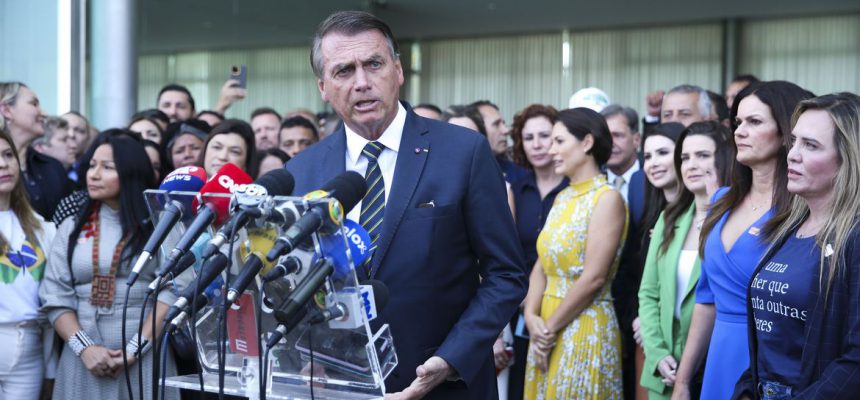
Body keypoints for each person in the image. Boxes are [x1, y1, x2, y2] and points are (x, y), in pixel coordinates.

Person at [286, 11, 527, 399]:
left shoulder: (463, 153)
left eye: (374, 64)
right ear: (323, 88)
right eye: (344, 71)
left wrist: (450, 359)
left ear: (398, 71)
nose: (362, 82)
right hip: (340, 385)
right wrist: (304, 355)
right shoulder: (301, 171)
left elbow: (506, 276)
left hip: (444, 383)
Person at [671, 81, 814, 400]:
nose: (739, 132)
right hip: (718, 358)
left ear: (785, 133)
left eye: (754, 122)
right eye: (737, 123)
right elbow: (706, 299)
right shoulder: (720, 201)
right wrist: (683, 381)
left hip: (771, 363)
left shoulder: (802, 210)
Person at [732, 92, 860, 399]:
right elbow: (770, 340)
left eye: (811, 145)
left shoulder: (854, 237)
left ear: (847, 160)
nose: (792, 154)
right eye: (795, 141)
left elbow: (856, 360)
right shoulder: (790, 226)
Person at [39, 129, 179, 399]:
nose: (94, 174)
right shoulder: (71, 226)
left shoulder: (161, 224)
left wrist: (135, 350)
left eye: (107, 167)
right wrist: (85, 349)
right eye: (92, 165)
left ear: (131, 173)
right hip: (83, 356)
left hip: (144, 353)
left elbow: (172, 290)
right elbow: (55, 295)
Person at [523, 108, 627, 399]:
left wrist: (547, 331)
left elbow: (594, 278)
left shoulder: (607, 198)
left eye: (558, 141)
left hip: (582, 324)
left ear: (586, 143)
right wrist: (532, 317)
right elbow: (542, 265)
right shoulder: (563, 196)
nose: (550, 149)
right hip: (545, 326)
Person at [638, 121, 734, 400]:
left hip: (713, 368)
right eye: (684, 157)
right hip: (664, 372)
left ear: (724, 158)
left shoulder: (737, 222)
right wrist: (656, 353)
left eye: (702, 155)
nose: (691, 164)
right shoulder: (670, 218)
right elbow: (648, 293)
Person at [507, 104, 567, 400]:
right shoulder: (514, 191)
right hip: (520, 306)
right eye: (529, 138)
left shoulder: (574, 189)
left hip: (566, 303)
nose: (538, 144)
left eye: (545, 135)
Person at [0, 127, 58, 400]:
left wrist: (50, 368)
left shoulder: (43, 229)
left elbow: (50, 300)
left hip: (30, 349)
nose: (3, 164)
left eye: (8, 154)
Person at [0, 82, 72, 220]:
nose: (44, 113)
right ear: (7, 110)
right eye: (34, 104)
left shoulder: (52, 167)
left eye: (9, 155)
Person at [471, 100, 529, 183]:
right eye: (496, 124)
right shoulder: (458, 173)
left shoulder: (520, 176)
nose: (506, 130)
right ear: (477, 129)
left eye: (503, 123)